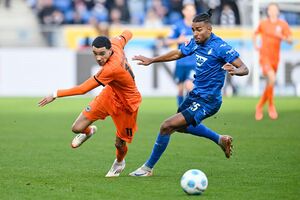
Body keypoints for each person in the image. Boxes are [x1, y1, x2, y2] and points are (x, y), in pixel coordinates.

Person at [129, 9, 249, 177]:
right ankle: (220, 139)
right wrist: (152, 60)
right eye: (193, 30)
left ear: (209, 29)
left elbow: (244, 68)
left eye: (198, 29)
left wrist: (235, 72)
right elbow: (178, 53)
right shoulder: (195, 42)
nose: (195, 33)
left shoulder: (221, 47)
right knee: (180, 128)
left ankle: (147, 168)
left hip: (209, 100)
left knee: (166, 126)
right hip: (195, 96)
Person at [38, 30, 142, 177]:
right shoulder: (115, 43)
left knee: (119, 143)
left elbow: (82, 89)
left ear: (110, 50)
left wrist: (55, 94)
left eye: (102, 54)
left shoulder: (110, 69)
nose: (98, 58)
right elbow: (128, 33)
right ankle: (89, 131)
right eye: (95, 53)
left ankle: (119, 162)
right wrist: (125, 36)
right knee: (77, 128)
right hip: (110, 95)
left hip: (127, 104)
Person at [254, 3, 292, 120]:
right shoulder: (264, 23)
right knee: (271, 78)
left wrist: (282, 37)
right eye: (271, 9)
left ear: (278, 11)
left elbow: (290, 40)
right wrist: (256, 45)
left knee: (269, 83)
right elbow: (255, 34)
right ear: (268, 11)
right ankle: (270, 106)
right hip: (264, 57)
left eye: (275, 9)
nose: (273, 11)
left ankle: (260, 106)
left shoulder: (283, 24)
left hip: (275, 58)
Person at [164, 1, 196, 106]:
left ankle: (189, 111)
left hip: (193, 62)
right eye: (188, 10)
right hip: (180, 62)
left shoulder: (198, 27)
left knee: (189, 85)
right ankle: (181, 112)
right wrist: (178, 40)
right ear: (184, 11)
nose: (191, 12)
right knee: (180, 90)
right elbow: (167, 41)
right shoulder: (178, 26)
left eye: (192, 10)